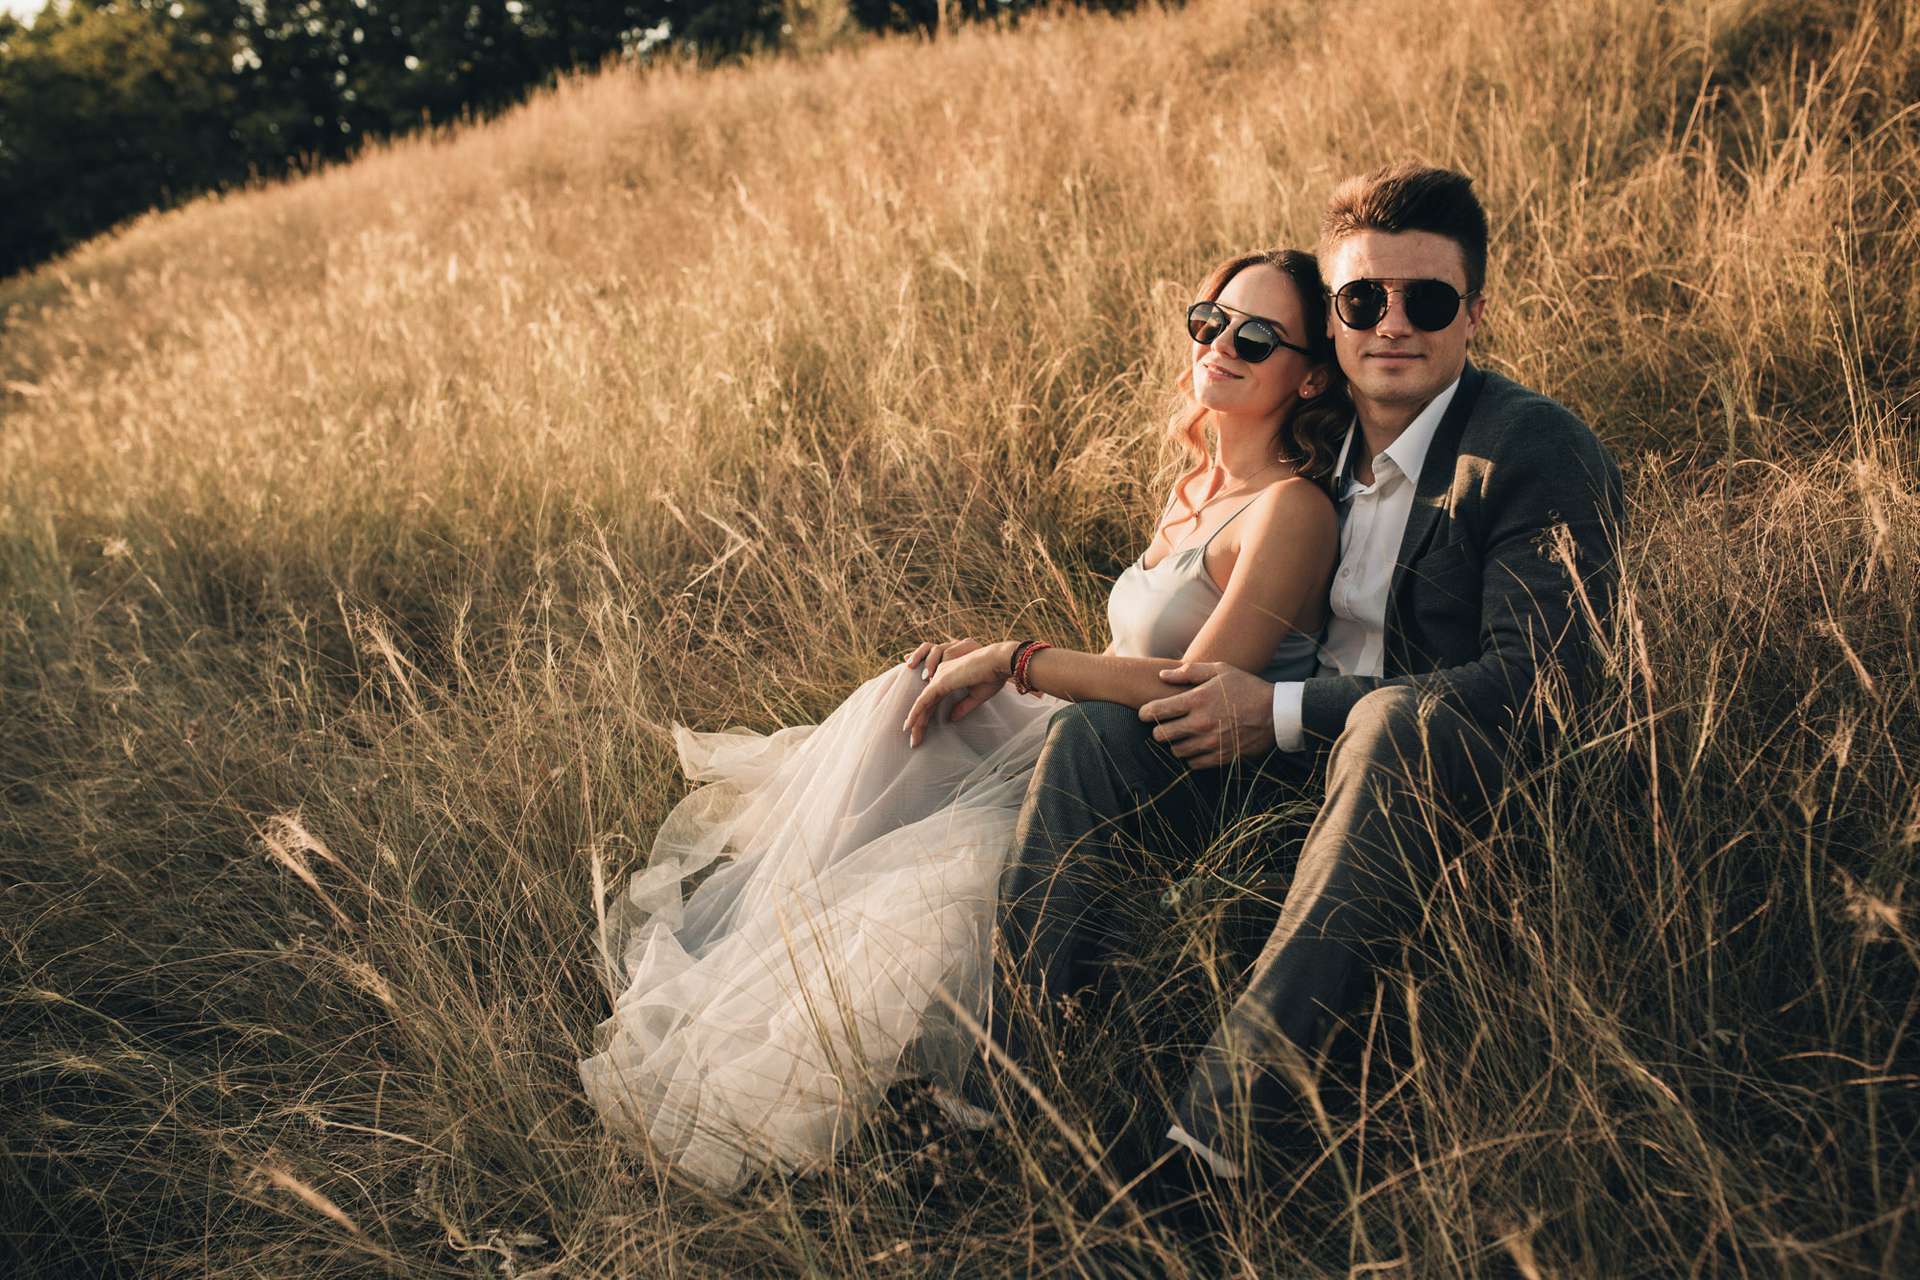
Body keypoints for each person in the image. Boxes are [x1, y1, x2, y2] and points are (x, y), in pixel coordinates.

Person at [578, 248, 1352, 1189]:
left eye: (1258, 336)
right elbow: (1124, 659)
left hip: (1190, 772)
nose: (1222, 343)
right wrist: (992, 665)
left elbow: (1200, 684)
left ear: (1310, 374)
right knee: (909, 695)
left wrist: (1019, 660)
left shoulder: (1291, 508)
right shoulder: (1195, 491)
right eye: (1210, 320)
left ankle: (973, 1104)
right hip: (1112, 740)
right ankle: (748, 952)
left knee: (965, 788)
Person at [990, 162, 1627, 1194]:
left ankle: (1215, 1150)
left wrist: (1278, 709)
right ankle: (1008, 1086)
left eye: (1426, 300)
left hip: (1438, 791)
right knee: (1088, 737)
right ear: (1332, 324)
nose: (1392, 324)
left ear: (1473, 314)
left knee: (1391, 726)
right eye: (1362, 299)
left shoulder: (1531, 447)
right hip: (1288, 780)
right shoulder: (1316, 459)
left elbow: (1536, 681)